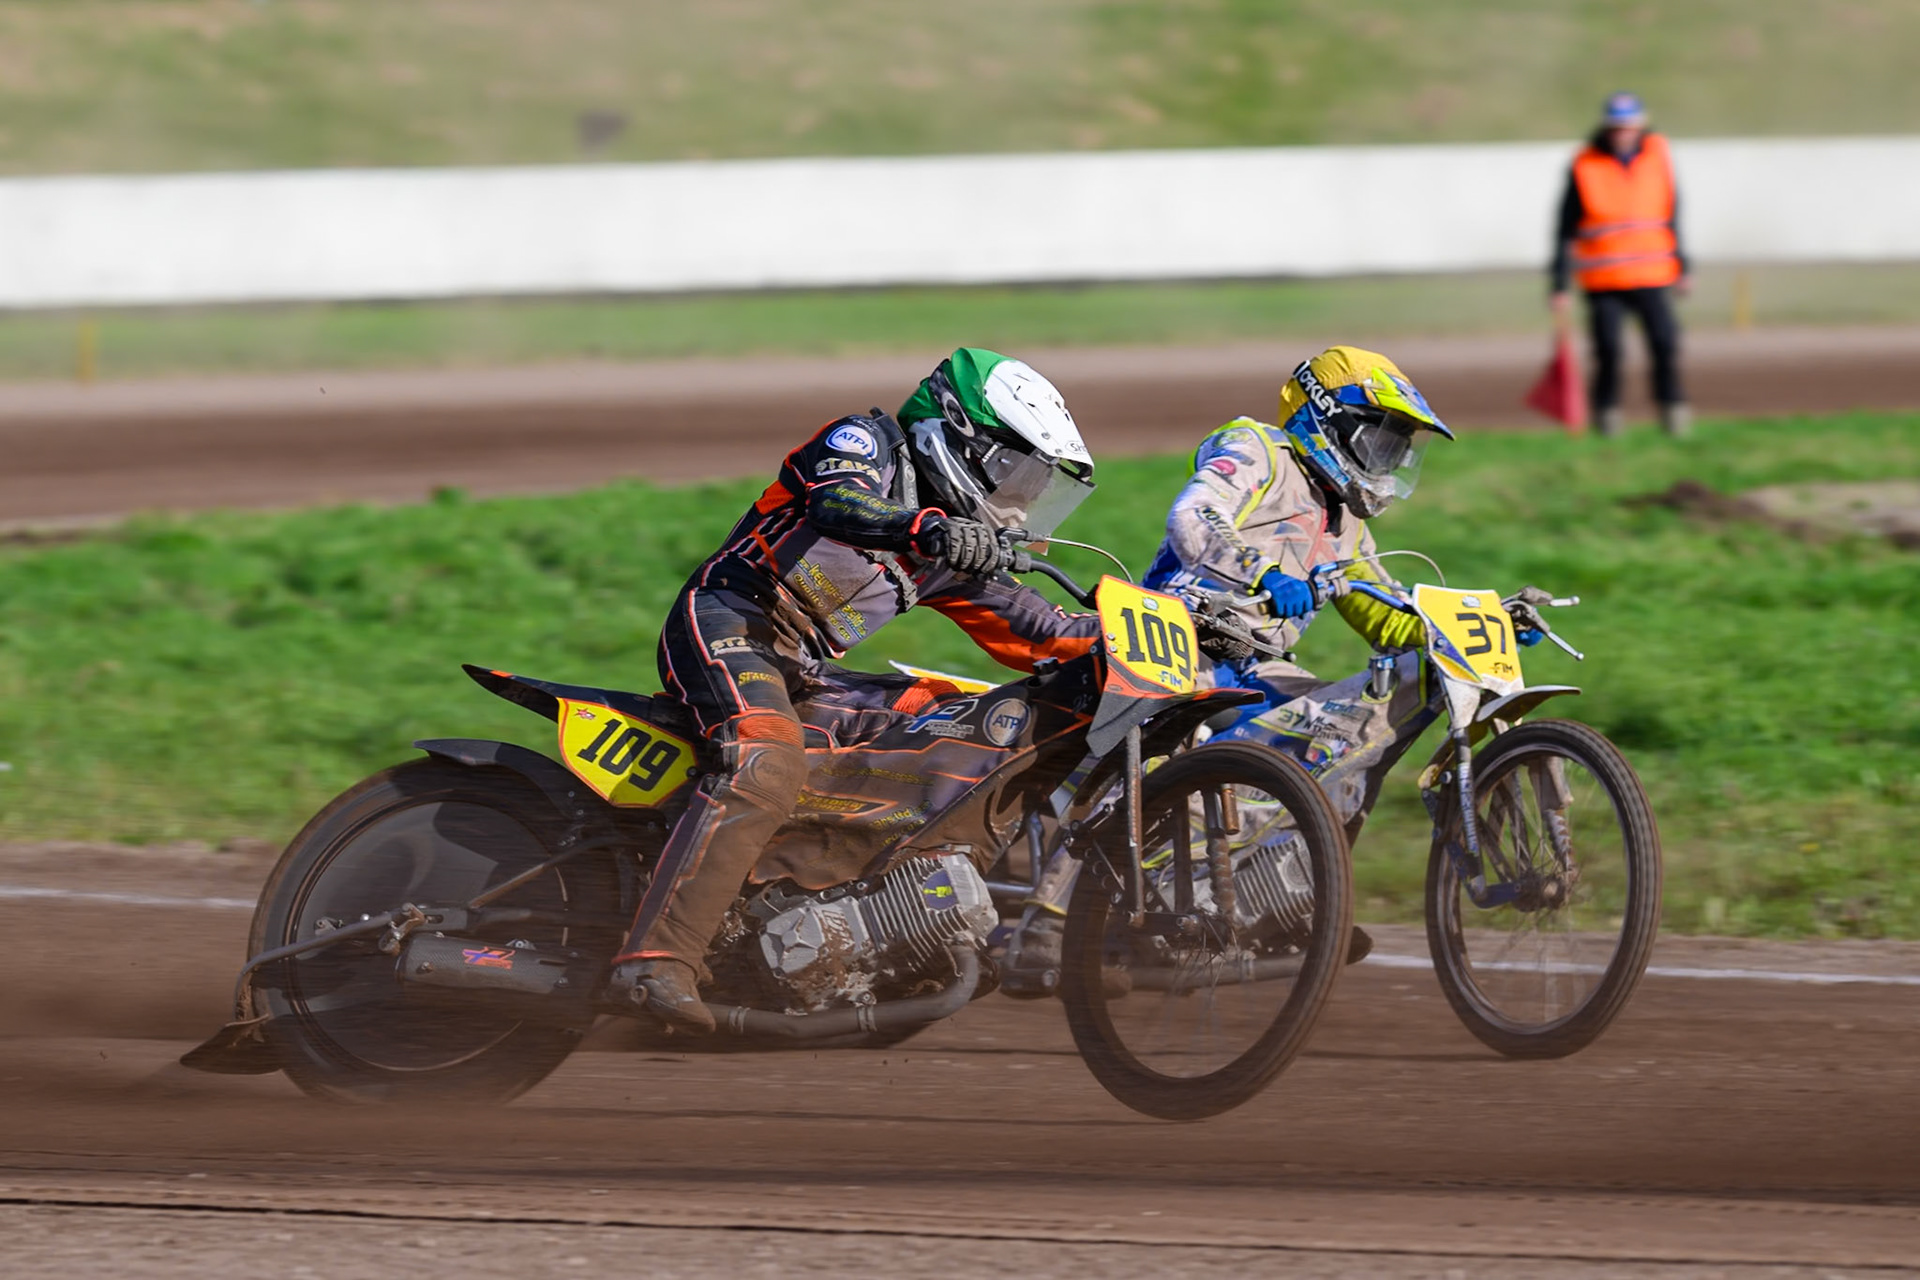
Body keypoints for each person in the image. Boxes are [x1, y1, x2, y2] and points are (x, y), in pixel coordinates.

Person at [609, 347, 1103, 1032]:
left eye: (1035, 485)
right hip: (729, 619)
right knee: (765, 760)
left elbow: (1043, 631)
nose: (1019, 505)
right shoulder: (865, 443)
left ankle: (830, 936)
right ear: (960, 433)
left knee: (944, 733)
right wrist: (926, 528)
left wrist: (1171, 626)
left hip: (803, 668)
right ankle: (656, 961)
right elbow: (837, 503)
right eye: (1013, 475)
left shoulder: (953, 551)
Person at [1001, 346, 1499, 995]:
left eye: (1396, 449)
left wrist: (1467, 626)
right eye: (1380, 440)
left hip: (1254, 666)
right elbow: (1193, 516)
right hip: (1169, 637)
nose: (1387, 460)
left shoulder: (1348, 526)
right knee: (1159, 749)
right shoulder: (1258, 449)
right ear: (1330, 420)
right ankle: (1046, 920)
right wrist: (1260, 570)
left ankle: (1287, 901)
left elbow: (1388, 618)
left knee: (1341, 731)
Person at [1550, 91, 1691, 439]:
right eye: (1616, 127)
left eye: (1628, 126)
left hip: (1653, 274)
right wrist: (1559, 284)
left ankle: (1673, 411)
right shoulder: (1585, 164)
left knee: (1664, 343)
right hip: (1604, 279)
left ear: (1640, 124)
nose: (1622, 133)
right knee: (1609, 350)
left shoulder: (1658, 156)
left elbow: (1671, 216)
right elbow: (1564, 228)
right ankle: (1607, 416)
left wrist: (1683, 265)